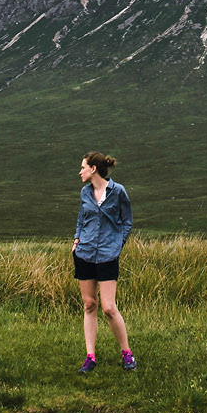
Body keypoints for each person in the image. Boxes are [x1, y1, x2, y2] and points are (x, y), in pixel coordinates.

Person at [72, 150, 135, 373]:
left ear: (94, 169)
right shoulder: (84, 192)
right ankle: (90, 357)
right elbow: (82, 218)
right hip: (85, 253)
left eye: (83, 167)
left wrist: (118, 245)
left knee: (108, 308)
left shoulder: (118, 192)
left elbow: (127, 222)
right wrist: (76, 239)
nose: (80, 171)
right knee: (89, 305)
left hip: (108, 255)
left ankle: (127, 354)